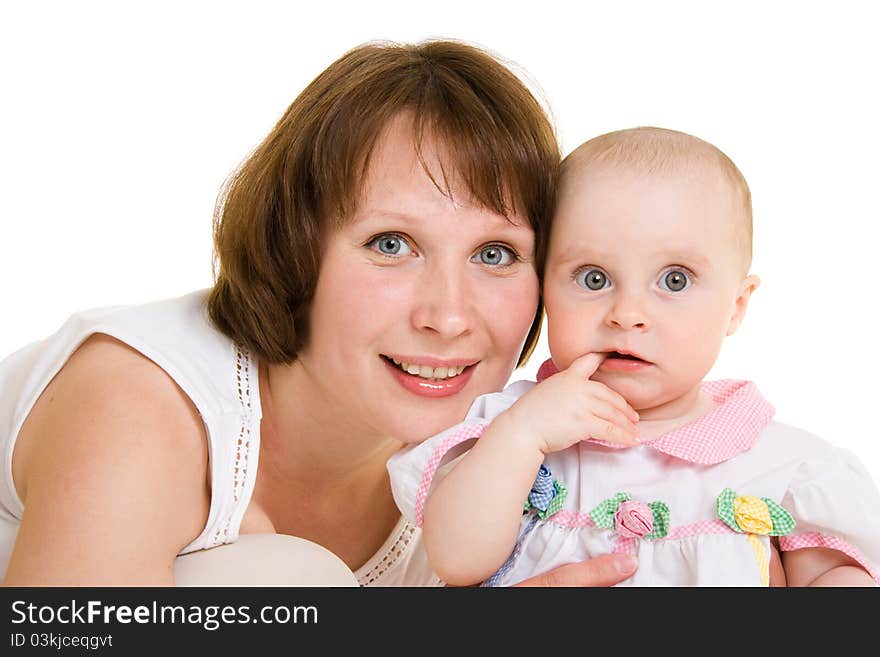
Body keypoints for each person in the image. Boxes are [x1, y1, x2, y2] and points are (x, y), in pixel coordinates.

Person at [0, 40, 640, 587]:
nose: (448, 318)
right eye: (390, 245)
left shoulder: (498, 465)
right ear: (295, 246)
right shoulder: (141, 399)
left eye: (496, 253)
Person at [389, 126, 880, 587]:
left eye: (674, 280)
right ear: (545, 292)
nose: (627, 314)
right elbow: (457, 560)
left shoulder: (782, 467)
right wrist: (523, 435)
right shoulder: (509, 430)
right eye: (593, 278)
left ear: (736, 306)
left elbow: (839, 580)